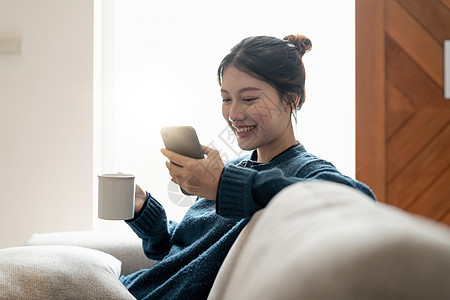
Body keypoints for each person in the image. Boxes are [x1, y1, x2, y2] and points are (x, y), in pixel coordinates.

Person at [119, 34, 376, 299]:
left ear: (291, 100)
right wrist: (144, 213)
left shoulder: (303, 171)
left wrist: (222, 185)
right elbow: (179, 254)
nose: (233, 114)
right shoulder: (232, 170)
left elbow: (358, 202)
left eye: (249, 99)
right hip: (131, 287)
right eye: (226, 99)